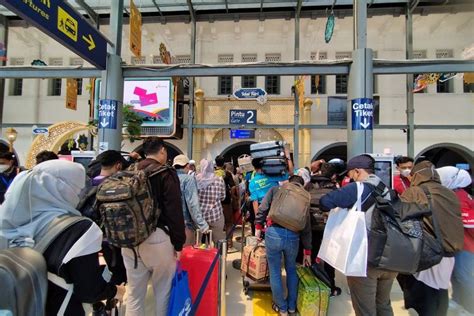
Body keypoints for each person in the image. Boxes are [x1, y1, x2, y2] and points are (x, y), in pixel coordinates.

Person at [0, 160, 125, 315]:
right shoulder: (80, 229)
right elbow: (89, 291)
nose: (80, 194)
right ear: (62, 189)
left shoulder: (8, 221)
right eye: (77, 188)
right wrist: (116, 291)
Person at [320, 154, 398, 316]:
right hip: (389, 259)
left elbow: (325, 202)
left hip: (365, 260)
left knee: (365, 310)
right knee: (383, 305)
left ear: (357, 171)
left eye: (349, 174)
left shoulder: (357, 188)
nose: (349, 177)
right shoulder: (387, 190)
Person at [123, 137, 185, 316]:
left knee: (134, 294)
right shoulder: (165, 173)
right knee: (163, 291)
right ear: (163, 151)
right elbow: (174, 211)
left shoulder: (130, 170)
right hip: (157, 238)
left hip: (129, 239)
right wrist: (179, 243)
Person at [397, 161, 463, 316]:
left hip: (429, 252)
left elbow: (401, 218)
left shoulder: (415, 192)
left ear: (417, 175)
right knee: (440, 291)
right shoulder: (449, 193)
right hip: (449, 252)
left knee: (424, 297)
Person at [77, 150, 128, 312]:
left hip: (89, 237)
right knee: (118, 272)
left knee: (98, 271)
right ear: (118, 165)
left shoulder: (89, 184)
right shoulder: (117, 186)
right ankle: (111, 306)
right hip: (112, 239)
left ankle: (100, 304)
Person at [255, 175, 312, 316]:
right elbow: (306, 226)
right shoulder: (304, 198)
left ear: (289, 182)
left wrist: (257, 226)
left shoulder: (276, 190)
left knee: (275, 272)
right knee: (291, 269)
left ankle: (282, 308)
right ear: (301, 186)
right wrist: (308, 251)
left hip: (274, 232)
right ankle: (292, 306)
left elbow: (262, 208)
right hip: (293, 236)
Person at [437, 166, 473, 314]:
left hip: (465, 245)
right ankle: (459, 301)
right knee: (457, 275)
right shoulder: (460, 193)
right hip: (461, 243)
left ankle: (469, 305)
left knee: (462, 276)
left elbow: (469, 222)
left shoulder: (458, 196)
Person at [172, 154, 209, 246]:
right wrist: (202, 225)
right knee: (185, 256)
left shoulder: (169, 178)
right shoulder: (188, 179)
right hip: (184, 224)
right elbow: (193, 204)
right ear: (187, 165)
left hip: (169, 225)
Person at [196, 159, 226, 245]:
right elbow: (223, 197)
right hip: (216, 215)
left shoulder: (196, 179)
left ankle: (202, 257)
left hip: (200, 217)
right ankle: (219, 257)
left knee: (199, 242)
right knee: (218, 242)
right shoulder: (219, 179)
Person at [215, 156, 238, 252]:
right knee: (229, 223)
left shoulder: (212, 173)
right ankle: (229, 244)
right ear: (223, 163)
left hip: (215, 202)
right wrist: (232, 196)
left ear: (215, 163)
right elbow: (233, 187)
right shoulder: (227, 173)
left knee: (216, 224)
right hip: (226, 202)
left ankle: (216, 244)